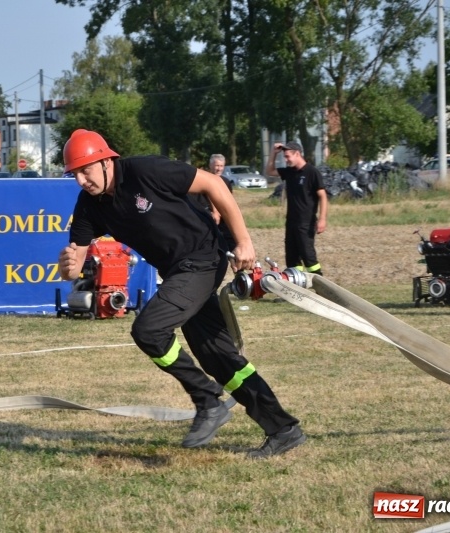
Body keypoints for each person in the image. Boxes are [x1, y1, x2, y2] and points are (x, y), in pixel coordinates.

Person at [58, 129, 305, 458]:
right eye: (74, 174)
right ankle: (283, 429)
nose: (80, 181)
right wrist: (68, 265)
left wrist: (243, 241)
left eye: (85, 170)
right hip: (178, 272)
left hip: (203, 257)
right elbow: (74, 265)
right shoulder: (90, 205)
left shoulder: (146, 170)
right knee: (217, 356)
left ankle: (207, 401)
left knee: (148, 329)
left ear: (106, 160)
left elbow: (213, 185)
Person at [265, 141, 328, 276]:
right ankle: (295, 291)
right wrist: (273, 153)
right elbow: (269, 171)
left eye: (288, 156)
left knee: (308, 256)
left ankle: (321, 287)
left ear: (297, 154)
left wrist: (322, 219)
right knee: (292, 258)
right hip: (291, 222)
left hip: (306, 222)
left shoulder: (312, 172)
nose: (286, 160)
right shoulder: (289, 172)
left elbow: (323, 196)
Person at [188, 154, 236, 251]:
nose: (219, 168)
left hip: (222, 215)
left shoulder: (225, 181)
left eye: (221, 166)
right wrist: (214, 212)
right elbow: (210, 195)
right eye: (217, 165)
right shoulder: (203, 180)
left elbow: (229, 199)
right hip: (206, 215)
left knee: (231, 238)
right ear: (210, 166)